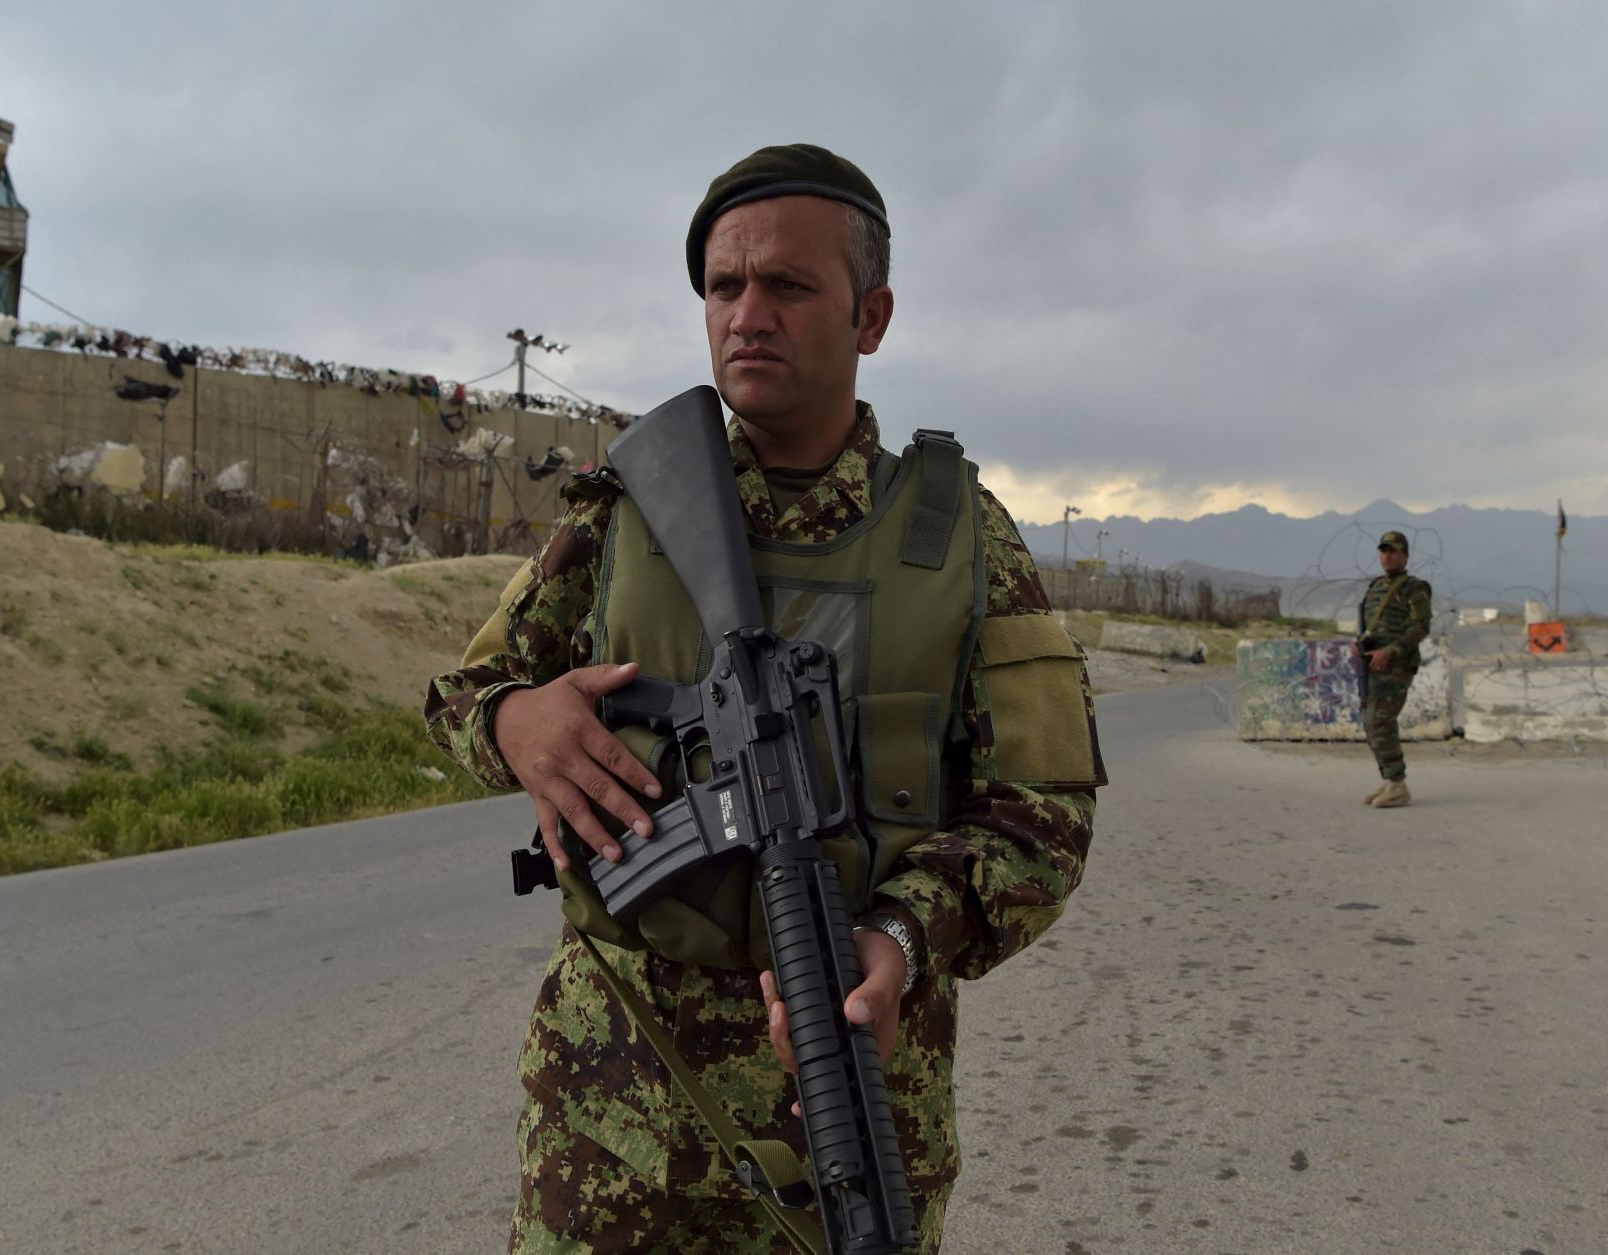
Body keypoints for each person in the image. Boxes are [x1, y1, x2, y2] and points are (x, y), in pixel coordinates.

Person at [425, 143, 1105, 1253]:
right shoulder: (627, 511)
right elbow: (465, 691)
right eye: (723, 285)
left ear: (871, 316)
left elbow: (1046, 811)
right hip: (615, 1112)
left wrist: (904, 931)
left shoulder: (964, 537)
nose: (748, 312)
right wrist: (516, 721)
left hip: (858, 1098)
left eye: (788, 285)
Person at [1356, 530, 1432, 808]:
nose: (1387, 556)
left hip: (1396, 663)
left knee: (1381, 719)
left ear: (1405, 555)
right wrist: (1359, 645)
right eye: (1383, 551)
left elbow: (1420, 627)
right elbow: (1370, 627)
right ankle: (1390, 779)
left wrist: (1390, 651)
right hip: (1373, 661)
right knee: (1370, 720)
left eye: (1393, 551)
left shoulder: (1414, 588)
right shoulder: (1376, 586)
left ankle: (1398, 784)